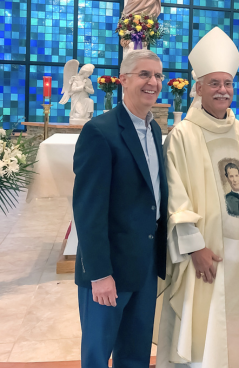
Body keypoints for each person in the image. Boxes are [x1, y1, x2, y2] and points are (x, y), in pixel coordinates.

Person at [156, 27, 239, 368]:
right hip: (208, 251)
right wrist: (195, 248)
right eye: (214, 83)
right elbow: (176, 197)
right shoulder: (183, 134)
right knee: (204, 334)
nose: (222, 90)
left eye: (227, 83)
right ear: (198, 88)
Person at [72, 50, 168, 368]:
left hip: (143, 267)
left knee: (136, 355)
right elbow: (88, 210)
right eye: (144, 74)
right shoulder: (100, 132)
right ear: (123, 80)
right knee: (98, 356)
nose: (153, 82)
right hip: (109, 271)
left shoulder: (154, 130)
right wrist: (99, 274)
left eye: (158, 75)